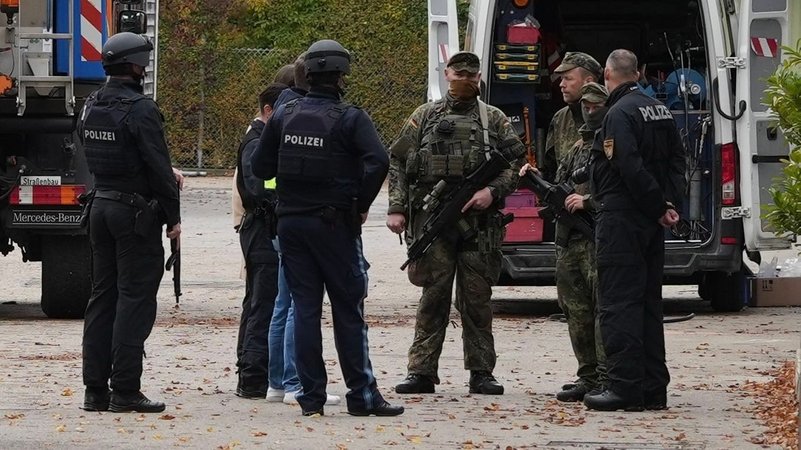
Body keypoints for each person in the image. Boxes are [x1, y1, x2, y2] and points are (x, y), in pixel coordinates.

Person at [252, 39, 402, 417]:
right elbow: (379, 161)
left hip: (291, 224)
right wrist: (360, 205)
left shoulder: (284, 114)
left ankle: (311, 398)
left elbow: (261, 168)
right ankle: (362, 396)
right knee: (348, 310)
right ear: (341, 76)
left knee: (304, 308)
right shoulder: (351, 117)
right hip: (335, 224)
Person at [387, 51, 525, 396]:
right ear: (446, 74)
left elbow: (516, 164)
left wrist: (491, 192)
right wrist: (397, 208)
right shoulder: (425, 116)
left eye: (470, 74)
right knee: (433, 296)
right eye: (458, 72)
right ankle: (421, 371)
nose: (464, 78)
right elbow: (399, 162)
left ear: (478, 77)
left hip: (479, 225)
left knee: (476, 298)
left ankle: (481, 371)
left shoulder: (492, 119)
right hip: (434, 221)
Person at [79, 32, 181, 413]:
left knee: (102, 298)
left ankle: (94, 390)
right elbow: (157, 168)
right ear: (137, 65)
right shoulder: (140, 109)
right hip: (135, 215)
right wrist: (173, 217)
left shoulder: (91, 104)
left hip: (101, 207)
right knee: (134, 301)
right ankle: (125, 389)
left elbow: (94, 151)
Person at [582, 49, 685, 412]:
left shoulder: (618, 114)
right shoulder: (659, 109)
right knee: (647, 305)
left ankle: (625, 389)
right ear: (638, 72)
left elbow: (627, 164)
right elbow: (677, 160)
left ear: (608, 74)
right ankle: (654, 388)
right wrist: (668, 205)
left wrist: (656, 205)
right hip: (650, 221)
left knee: (618, 305)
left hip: (623, 219)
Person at [521, 82, 609, 403]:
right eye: (585, 105)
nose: (589, 111)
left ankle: (605, 376)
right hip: (569, 242)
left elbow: (617, 190)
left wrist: (587, 202)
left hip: (595, 239)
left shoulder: (610, 145)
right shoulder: (575, 149)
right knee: (575, 311)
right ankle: (587, 376)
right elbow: (559, 186)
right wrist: (536, 180)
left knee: (602, 311)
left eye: (595, 105)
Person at [264, 51, 342, 407]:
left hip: (283, 218)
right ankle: (296, 382)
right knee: (299, 304)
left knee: (283, 304)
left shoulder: (280, 115)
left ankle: (278, 381)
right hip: (309, 217)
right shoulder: (312, 117)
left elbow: (260, 167)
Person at [233, 82, 287, 398]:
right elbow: (260, 188)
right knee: (263, 303)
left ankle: (251, 372)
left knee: (257, 300)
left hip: (262, 228)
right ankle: (253, 378)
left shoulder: (262, 140)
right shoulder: (256, 143)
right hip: (262, 230)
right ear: (268, 111)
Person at [540, 52, 602, 183]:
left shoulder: (610, 114)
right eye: (562, 79)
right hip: (565, 199)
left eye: (568, 78)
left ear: (588, 82)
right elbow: (550, 170)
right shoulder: (560, 118)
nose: (561, 84)